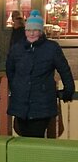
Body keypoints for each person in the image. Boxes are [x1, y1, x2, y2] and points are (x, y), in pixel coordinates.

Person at [6, 10, 75, 138]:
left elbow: (64, 69)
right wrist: (16, 85)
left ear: (41, 31)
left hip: (42, 101)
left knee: (36, 136)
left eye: (35, 30)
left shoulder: (51, 48)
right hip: (21, 100)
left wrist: (68, 89)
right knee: (23, 134)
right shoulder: (18, 48)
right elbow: (10, 69)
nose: (31, 33)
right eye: (28, 30)